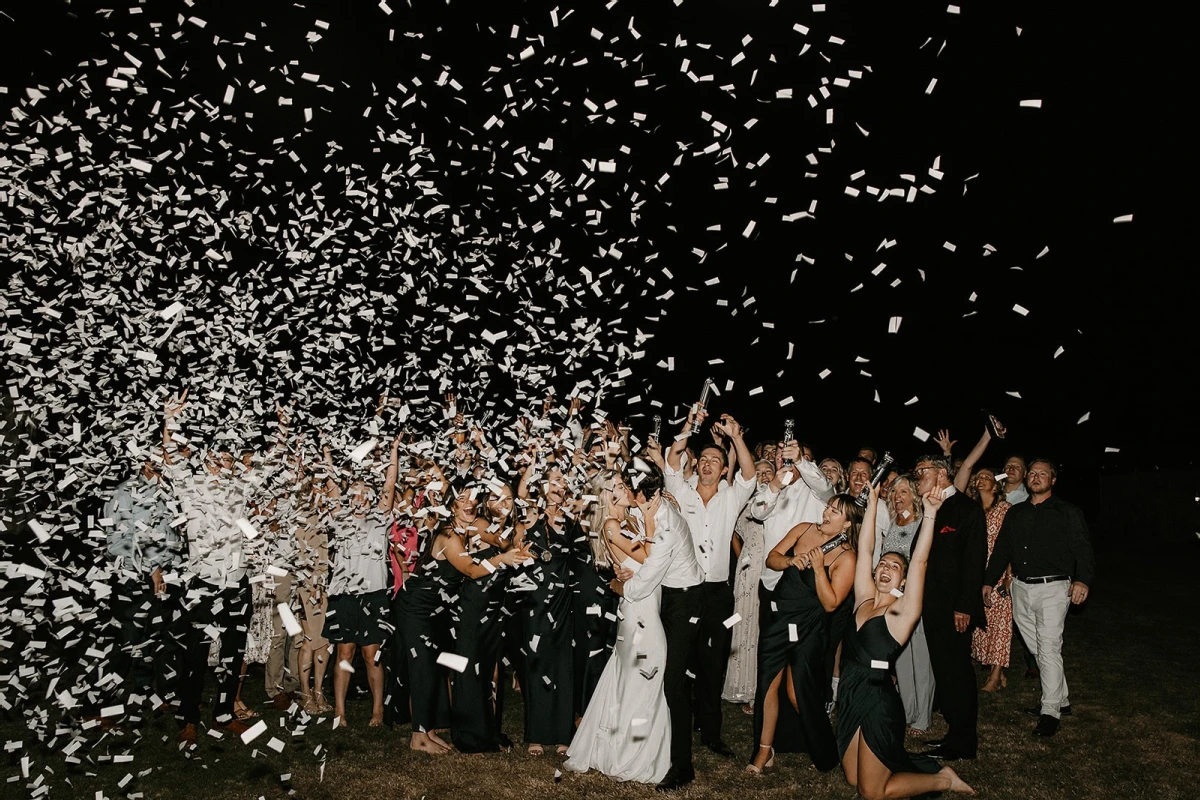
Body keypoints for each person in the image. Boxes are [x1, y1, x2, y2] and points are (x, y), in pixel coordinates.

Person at [837, 486, 975, 799]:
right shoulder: (863, 599)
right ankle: (904, 764)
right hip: (849, 693)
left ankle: (944, 780)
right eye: (883, 565)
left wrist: (930, 515)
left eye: (895, 567)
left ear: (902, 580)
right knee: (851, 778)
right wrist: (872, 504)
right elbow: (867, 545)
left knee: (872, 793)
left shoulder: (902, 611)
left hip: (877, 702)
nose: (886, 569)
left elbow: (921, 562)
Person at [663, 406, 757, 759]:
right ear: (697, 463)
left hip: (718, 594)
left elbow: (749, 474)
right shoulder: (679, 491)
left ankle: (712, 734)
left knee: (711, 662)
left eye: (716, 461)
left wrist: (736, 436)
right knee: (678, 662)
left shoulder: (731, 498)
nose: (708, 464)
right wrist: (690, 425)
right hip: (682, 592)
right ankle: (675, 730)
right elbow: (673, 455)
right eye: (703, 458)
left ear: (722, 469)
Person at [163, 390, 256, 746]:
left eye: (233, 455)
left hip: (236, 581)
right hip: (203, 582)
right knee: (195, 653)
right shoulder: (191, 485)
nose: (230, 460)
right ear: (209, 457)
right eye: (224, 454)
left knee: (234, 651)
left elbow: (268, 469)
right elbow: (171, 458)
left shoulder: (239, 488)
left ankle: (223, 713)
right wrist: (170, 420)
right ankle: (188, 718)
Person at [565, 472, 671, 783]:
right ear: (605, 498)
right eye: (616, 488)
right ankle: (632, 755)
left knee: (635, 679)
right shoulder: (611, 527)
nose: (624, 489)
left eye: (624, 484)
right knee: (644, 675)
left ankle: (627, 749)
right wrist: (652, 524)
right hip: (640, 615)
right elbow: (651, 558)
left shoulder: (632, 518)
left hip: (644, 606)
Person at [608, 460, 705, 792]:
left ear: (646, 494)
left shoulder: (667, 527)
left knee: (674, 682)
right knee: (661, 675)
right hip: (668, 596)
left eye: (632, 493)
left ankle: (682, 766)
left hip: (685, 603)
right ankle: (657, 746)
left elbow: (641, 585)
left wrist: (618, 586)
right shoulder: (651, 507)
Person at [748, 494, 861, 774]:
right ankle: (763, 752)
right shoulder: (804, 529)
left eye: (835, 512)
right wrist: (790, 561)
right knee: (767, 686)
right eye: (828, 507)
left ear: (847, 524)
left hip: (810, 626)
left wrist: (820, 569)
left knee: (799, 693)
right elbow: (772, 558)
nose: (827, 513)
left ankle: (825, 751)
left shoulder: (847, 557)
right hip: (780, 617)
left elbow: (832, 603)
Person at [983, 459, 1094, 737]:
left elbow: (1084, 548)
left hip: (1054, 588)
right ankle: (1063, 698)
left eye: (1042, 474)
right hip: (1020, 587)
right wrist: (988, 580)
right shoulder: (1016, 512)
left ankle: (1050, 712)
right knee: (1037, 646)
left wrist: (1082, 579)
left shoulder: (1067, 511)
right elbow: (1002, 549)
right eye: (1032, 473)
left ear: (1053, 480)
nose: (1035, 477)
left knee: (1048, 646)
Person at [445, 486, 531, 752]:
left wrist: (517, 545)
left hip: (495, 609)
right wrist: (507, 552)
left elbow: (510, 546)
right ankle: (468, 734)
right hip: (471, 606)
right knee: (468, 668)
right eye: (495, 497)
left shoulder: (514, 528)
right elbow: (496, 549)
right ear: (486, 502)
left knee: (492, 671)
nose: (501, 502)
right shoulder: (479, 524)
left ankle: (490, 730)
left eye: (506, 497)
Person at [913, 455, 986, 762]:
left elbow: (973, 562)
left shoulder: (966, 509)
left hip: (955, 610)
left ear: (941, 474)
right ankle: (954, 733)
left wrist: (964, 606)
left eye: (921, 472)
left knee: (958, 672)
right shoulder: (930, 509)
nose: (917, 478)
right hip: (931, 606)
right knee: (944, 672)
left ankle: (964, 741)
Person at [103, 458, 182, 712]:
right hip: (132, 580)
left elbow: (172, 536)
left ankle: (145, 694)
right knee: (125, 642)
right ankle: (101, 705)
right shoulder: (124, 493)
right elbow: (115, 543)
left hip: (165, 578)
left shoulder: (170, 491)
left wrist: (171, 566)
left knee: (154, 637)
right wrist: (151, 568)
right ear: (145, 463)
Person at [515, 464, 579, 756]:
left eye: (563, 483)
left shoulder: (573, 518)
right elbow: (520, 493)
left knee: (563, 664)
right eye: (554, 481)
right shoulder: (530, 515)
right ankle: (536, 735)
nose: (559, 486)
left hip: (564, 599)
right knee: (536, 662)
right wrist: (533, 467)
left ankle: (563, 733)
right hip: (535, 600)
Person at [881, 474, 935, 735]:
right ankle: (907, 709)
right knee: (900, 657)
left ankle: (923, 716)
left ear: (913, 494)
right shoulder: (892, 523)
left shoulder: (923, 523)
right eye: (894, 492)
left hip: (917, 599)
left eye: (903, 491)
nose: (898, 496)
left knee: (922, 659)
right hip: (894, 600)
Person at [722, 457, 775, 711]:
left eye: (769, 471)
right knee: (742, 624)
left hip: (771, 570)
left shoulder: (778, 502)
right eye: (760, 472)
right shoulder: (743, 503)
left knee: (763, 628)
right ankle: (742, 687)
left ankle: (760, 691)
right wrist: (742, 555)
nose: (764, 476)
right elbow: (732, 531)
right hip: (746, 571)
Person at [967, 469, 1013, 693]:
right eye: (978, 477)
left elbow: (1010, 545)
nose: (981, 479)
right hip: (977, 574)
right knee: (982, 625)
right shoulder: (973, 510)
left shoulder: (1005, 510)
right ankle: (998, 671)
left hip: (999, 575)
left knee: (1000, 626)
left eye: (987, 476)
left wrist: (1009, 578)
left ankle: (994, 676)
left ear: (996, 485)